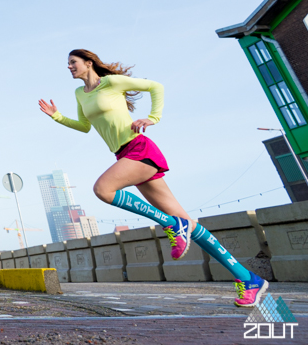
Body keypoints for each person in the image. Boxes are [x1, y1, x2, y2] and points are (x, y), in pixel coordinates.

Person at [38, 49, 268, 307]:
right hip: (123, 156)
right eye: (68, 64)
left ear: (88, 63)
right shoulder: (79, 93)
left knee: (103, 189)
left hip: (139, 149)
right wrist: (56, 116)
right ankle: (247, 279)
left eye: (73, 62)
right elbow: (84, 126)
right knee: (190, 224)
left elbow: (155, 86)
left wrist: (153, 118)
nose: (69, 67)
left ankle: (170, 224)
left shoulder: (111, 83)